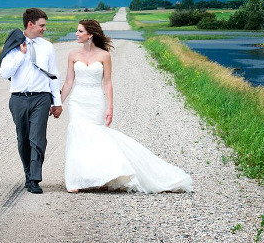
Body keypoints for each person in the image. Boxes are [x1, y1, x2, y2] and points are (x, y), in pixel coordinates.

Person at [60, 19, 193, 193]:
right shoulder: (73, 54)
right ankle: (76, 180)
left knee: (97, 137)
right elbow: (69, 81)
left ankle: (102, 176)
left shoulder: (104, 56)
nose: (76, 34)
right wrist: (58, 102)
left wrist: (110, 106)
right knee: (77, 134)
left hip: (95, 100)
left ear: (90, 35)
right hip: (78, 101)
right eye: (77, 31)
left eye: (80, 31)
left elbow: (107, 82)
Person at [0, 8, 62, 194]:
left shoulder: (48, 46)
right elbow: (5, 73)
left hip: (41, 99)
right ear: (30, 24)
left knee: (38, 139)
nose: (44, 29)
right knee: (23, 139)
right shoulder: (14, 45)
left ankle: (35, 179)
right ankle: (28, 174)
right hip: (18, 98)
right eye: (42, 25)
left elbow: (54, 75)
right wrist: (21, 55)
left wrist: (56, 102)